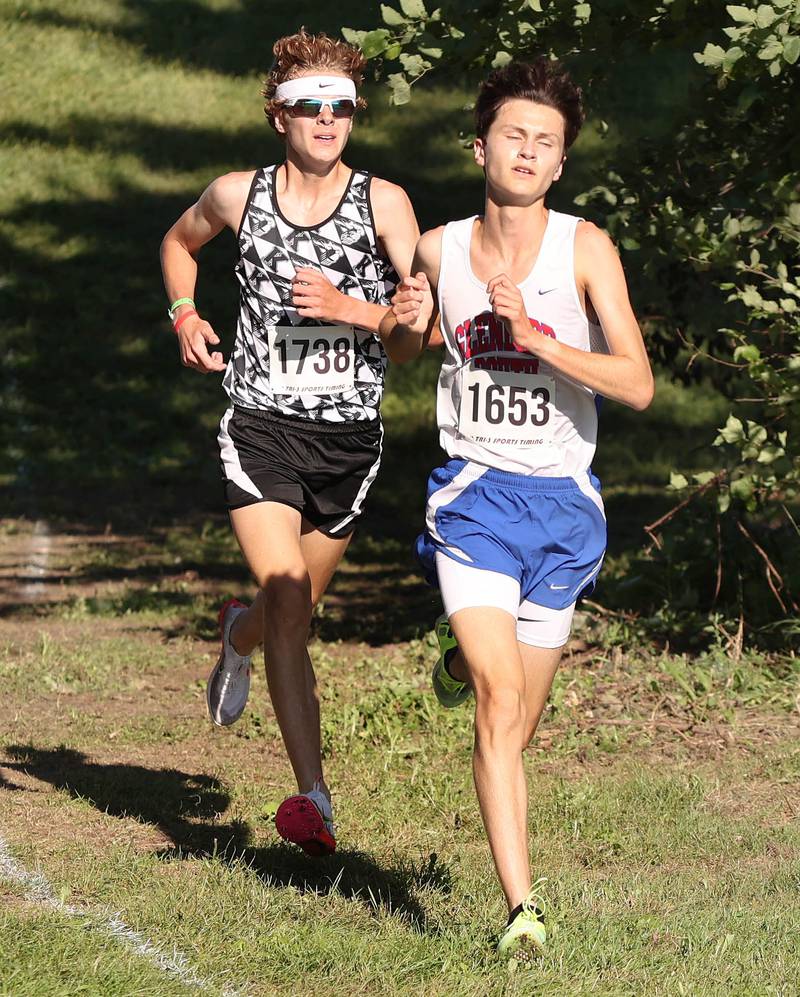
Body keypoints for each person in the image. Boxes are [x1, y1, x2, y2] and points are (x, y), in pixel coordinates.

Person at [381, 58, 654, 960]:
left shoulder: (586, 248)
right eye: (515, 135)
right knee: (502, 706)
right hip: (476, 498)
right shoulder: (439, 248)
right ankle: (523, 909)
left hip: (566, 510)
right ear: (480, 147)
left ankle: (462, 663)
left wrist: (537, 338)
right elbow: (409, 351)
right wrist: (401, 322)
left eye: (547, 142)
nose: (530, 151)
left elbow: (640, 384)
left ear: (560, 163)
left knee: (517, 722)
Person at [160, 28, 421, 858]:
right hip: (260, 424)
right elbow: (178, 243)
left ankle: (239, 631)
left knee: (288, 607)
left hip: (348, 441)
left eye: (341, 106)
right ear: (279, 113)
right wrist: (185, 314)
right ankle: (315, 797)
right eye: (311, 104)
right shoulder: (238, 196)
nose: (327, 118)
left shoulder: (387, 204)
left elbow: (419, 338)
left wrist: (361, 311)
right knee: (290, 597)